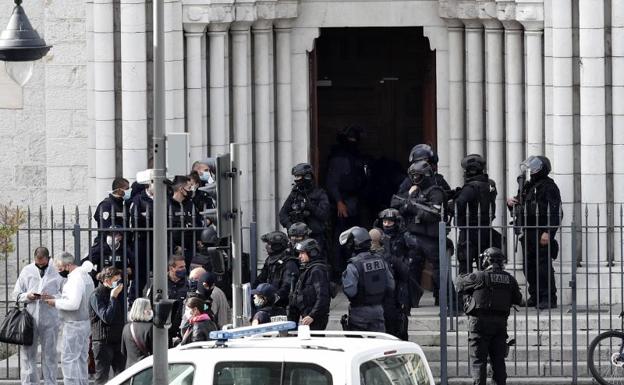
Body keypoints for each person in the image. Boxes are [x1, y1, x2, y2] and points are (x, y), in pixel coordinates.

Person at [455, 247, 523, 385]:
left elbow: (459, 284)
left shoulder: (479, 276)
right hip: (499, 325)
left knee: (479, 362)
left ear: (486, 260)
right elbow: (518, 299)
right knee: (498, 362)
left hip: (479, 324)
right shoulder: (510, 279)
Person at [507, 155, 561, 309]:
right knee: (528, 265)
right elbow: (520, 205)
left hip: (541, 230)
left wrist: (548, 232)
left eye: (535, 168)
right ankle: (535, 295)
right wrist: (511, 203)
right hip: (528, 230)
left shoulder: (549, 187)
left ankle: (548, 297)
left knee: (543, 266)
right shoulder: (528, 186)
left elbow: (556, 212)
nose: (531, 171)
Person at [391, 160, 446, 306]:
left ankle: (447, 300)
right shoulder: (415, 191)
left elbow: (433, 214)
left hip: (431, 239)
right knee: (411, 271)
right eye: (413, 176)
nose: (415, 179)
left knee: (439, 272)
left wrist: (413, 207)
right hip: (414, 238)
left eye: (418, 176)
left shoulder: (435, 192)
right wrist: (408, 201)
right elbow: (398, 206)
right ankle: (410, 301)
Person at [13, 247, 64, 385]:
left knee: (50, 355)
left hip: (50, 319)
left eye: (43, 263)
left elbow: (65, 294)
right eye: (38, 263)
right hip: (30, 319)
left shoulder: (57, 272)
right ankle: (29, 383)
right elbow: (16, 294)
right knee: (27, 355)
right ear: (34, 259)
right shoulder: (27, 271)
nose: (40, 266)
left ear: (48, 258)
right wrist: (28, 296)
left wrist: (53, 297)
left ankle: (50, 382)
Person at [44, 252, 95, 385]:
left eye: (60, 269)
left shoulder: (75, 278)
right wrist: (57, 298)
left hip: (74, 324)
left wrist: (55, 302)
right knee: (81, 359)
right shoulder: (85, 276)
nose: (59, 272)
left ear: (68, 266)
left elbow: (73, 303)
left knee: (69, 360)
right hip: (84, 322)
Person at [325, 125, 367, 283]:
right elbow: (332, 183)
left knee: (357, 236)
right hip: (343, 202)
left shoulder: (354, 156)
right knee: (341, 237)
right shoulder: (339, 158)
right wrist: (339, 202)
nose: (354, 141)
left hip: (355, 201)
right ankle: (338, 271)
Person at [340, 227, 394, 332]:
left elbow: (350, 292)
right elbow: (391, 285)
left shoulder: (353, 265)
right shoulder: (380, 260)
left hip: (359, 313)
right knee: (378, 345)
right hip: (379, 310)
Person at [454, 154, 500, 274]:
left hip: (470, 231)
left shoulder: (470, 187)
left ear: (471, 170)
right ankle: (485, 291)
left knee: (465, 266)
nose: (464, 173)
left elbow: (459, 205)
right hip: (486, 229)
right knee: (485, 265)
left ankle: (466, 291)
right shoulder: (491, 184)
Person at [278, 163, 330, 251]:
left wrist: (310, 207)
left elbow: (324, 215)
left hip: (314, 238)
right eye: (295, 177)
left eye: (298, 176)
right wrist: (290, 226)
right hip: (297, 238)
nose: (296, 180)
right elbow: (282, 214)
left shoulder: (319, 193)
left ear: (307, 177)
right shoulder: (294, 194)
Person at [377, 209, 411, 340]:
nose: (386, 224)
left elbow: (408, 268)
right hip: (384, 282)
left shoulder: (404, 237)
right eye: (384, 221)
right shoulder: (378, 237)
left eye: (389, 222)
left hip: (400, 282)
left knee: (400, 320)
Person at [89, 267, 126, 385]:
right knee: (102, 376)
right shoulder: (96, 295)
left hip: (117, 339)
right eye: (116, 279)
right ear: (107, 279)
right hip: (102, 341)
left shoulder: (118, 293)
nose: (119, 282)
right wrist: (113, 297)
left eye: (120, 279)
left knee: (121, 375)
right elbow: (106, 317)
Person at [288, 239, 330, 330]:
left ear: (312, 253)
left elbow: (323, 296)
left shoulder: (317, 270)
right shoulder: (308, 269)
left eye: (302, 253)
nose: (299, 256)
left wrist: (312, 315)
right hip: (306, 316)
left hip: (314, 319)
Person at [253, 231, 299, 308]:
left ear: (277, 246)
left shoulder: (289, 263)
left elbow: (287, 287)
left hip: (283, 306)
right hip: (269, 303)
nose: (266, 246)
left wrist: (274, 298)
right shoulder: (270, 260)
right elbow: (261, 279)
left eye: (269, 244)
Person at [167, 175, 201, 267]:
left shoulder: (190, 204)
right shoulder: (167, 205)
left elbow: (198, 223)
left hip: (191, 249)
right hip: (175, 252)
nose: (191, 190)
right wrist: (174, 247)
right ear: (181, 189)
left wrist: (198, 239)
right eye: (189, 187)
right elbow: (162, 230)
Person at [129, 182, 154, 298]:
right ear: (149, 185)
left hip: (159, 241)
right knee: (140, 274)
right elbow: (135, 221)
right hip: (142, 240)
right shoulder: (139, 199)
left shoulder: (164, 198)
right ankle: (134, 300)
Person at [93, 177, 131, 246]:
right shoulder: (106, 205)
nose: (129, 191)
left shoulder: (122, 205)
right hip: (107, 245)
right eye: (127, 189)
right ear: (119, 190)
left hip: (122, 245)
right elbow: (106, 227)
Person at [121, 298, 153, 368]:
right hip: (145, 368)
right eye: (149, 309)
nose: (151, 311)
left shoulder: (126, 327)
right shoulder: (150, 328)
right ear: (143, 311)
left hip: (130, 369)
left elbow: (123, 352)